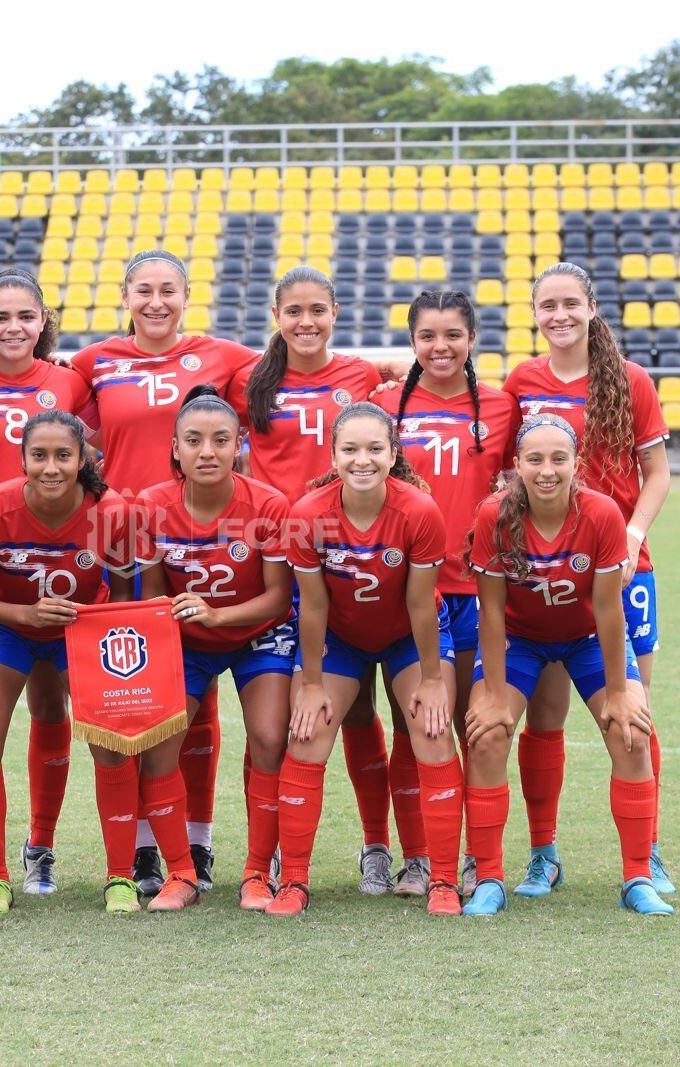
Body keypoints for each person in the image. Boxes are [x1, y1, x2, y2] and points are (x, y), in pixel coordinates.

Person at [70, 249, 255, 894]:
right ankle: (146, 849)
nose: (156, 302)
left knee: (194, 703)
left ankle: (196, 842)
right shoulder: (93, 362)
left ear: (186, 296)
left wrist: (384, 372)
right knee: (136, 700)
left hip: (199, 541)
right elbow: (51, 415)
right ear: (125, 297)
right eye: (143, 290)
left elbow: (293, 371)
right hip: (121, 545)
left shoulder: (222, 356)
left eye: (168, 290)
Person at [0, 410, 195, 913]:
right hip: (8, 626)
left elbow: (125, 595)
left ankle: (119, 877)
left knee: (112, 741)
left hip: (83, 628)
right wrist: (25, 613)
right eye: (39, 456)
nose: (51, 467)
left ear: (83, 458)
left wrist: (96, 636)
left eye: (63, 455)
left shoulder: (111, 511)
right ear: (22, 459)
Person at [502, 262, 674, 897]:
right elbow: (509, 472)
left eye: (571, 303)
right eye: (548, 305)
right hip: (548, 571)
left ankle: (646, 851)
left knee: (633, 714)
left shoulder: (630, 380)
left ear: (592, 308)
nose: (560, 315)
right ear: (535, 314)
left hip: (625, 570)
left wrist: (631, 533)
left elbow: (657, 473)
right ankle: (543, 854)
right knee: (544, 715)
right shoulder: (522, 382)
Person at [229, 267, 403, 894]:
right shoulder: (247, 379)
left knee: (358, 712)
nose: (306, 322)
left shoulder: (360, 376)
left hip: (348, 559)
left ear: (335, 313)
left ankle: (376, 846)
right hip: (272, 562)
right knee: (271, 720)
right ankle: (268, 851)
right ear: (275, 316)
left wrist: (398, 370)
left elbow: (406, 383)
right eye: (294, 311)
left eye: (317, 310)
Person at [461, 414, 669, 917]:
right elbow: (491, 610)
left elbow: (608, 610)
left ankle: (638, 876)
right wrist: (492, 694)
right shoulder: (493, 515)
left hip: (586, 638)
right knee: (486, 735)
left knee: (630, 730)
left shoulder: (600, 513)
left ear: (576, 463)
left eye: (559, 458)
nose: (547, 470)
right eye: (534, 459)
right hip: (520, 640)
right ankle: (490, 878)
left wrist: (618, 692)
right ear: (517, 464)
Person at [0, 268, 97, 897]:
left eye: (26, 316)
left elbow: (98, 454)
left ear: (43, 321)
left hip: (64, 571)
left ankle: (41, 845)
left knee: (53, 708)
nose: (13, 327)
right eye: (0, 317)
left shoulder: (69, 382)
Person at [271, 403, 465, 917]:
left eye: (375, 449)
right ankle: (293, 881)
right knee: (306, 734)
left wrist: (432, 679)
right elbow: (313, 605)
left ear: (393, 454)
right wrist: (311, 684)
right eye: (350, 449)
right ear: (333, 456)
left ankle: (443, 879)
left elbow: (421, 604)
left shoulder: (419, 511)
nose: (363, 460)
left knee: (433, 730)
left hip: (408, 637)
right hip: (340, 638)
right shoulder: (306, 514)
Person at [378, 290, 515, 895]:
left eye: (453, 334)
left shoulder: (503, 405)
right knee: (415, 728)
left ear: (472, 339)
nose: (441, 347)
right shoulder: (386, 404)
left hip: (478, 591)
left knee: (471, 728)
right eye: (427, 336)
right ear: (412, 342)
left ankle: (473, 858)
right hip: (411, 594)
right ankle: (419, 858)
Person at [138, 386, 296, 910]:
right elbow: (154, 595)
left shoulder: (268, 504)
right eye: (194, 440)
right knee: (159, 746)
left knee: (270, 737)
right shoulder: (151, 506)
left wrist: (217, 615)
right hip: (186, 640)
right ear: (175, 448)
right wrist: (184, 622)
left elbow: (278, 599)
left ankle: (258, 872)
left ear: (239, 445)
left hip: (257, 634)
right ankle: (180, 874)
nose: (207, 451)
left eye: (220, 440)